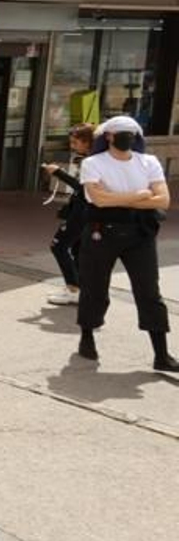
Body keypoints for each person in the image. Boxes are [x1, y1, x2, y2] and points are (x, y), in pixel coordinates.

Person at [75, 116, 179, 372]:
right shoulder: (92, 163)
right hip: (102, 232)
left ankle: (161, 355)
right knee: (94, 287)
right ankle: (87, 337)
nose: (127, 137)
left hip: (140, 234)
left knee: (149, 292)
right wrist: (139, 195)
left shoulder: (149, 162)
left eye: (132, 134)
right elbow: (98, 200)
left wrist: (120, 199)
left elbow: (163, 200)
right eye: (122, 133)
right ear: (108, 136)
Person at [43, 123, 94, 306]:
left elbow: (84, 188)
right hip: (84, 210)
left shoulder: (92, 162)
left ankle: (73, 289)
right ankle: (77, 288)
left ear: (88, 142)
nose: (72, 146)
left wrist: (59, 173)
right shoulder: (90, 159)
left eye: (75, 142)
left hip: (83, 211)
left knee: (58, 246)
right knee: (76, 249)